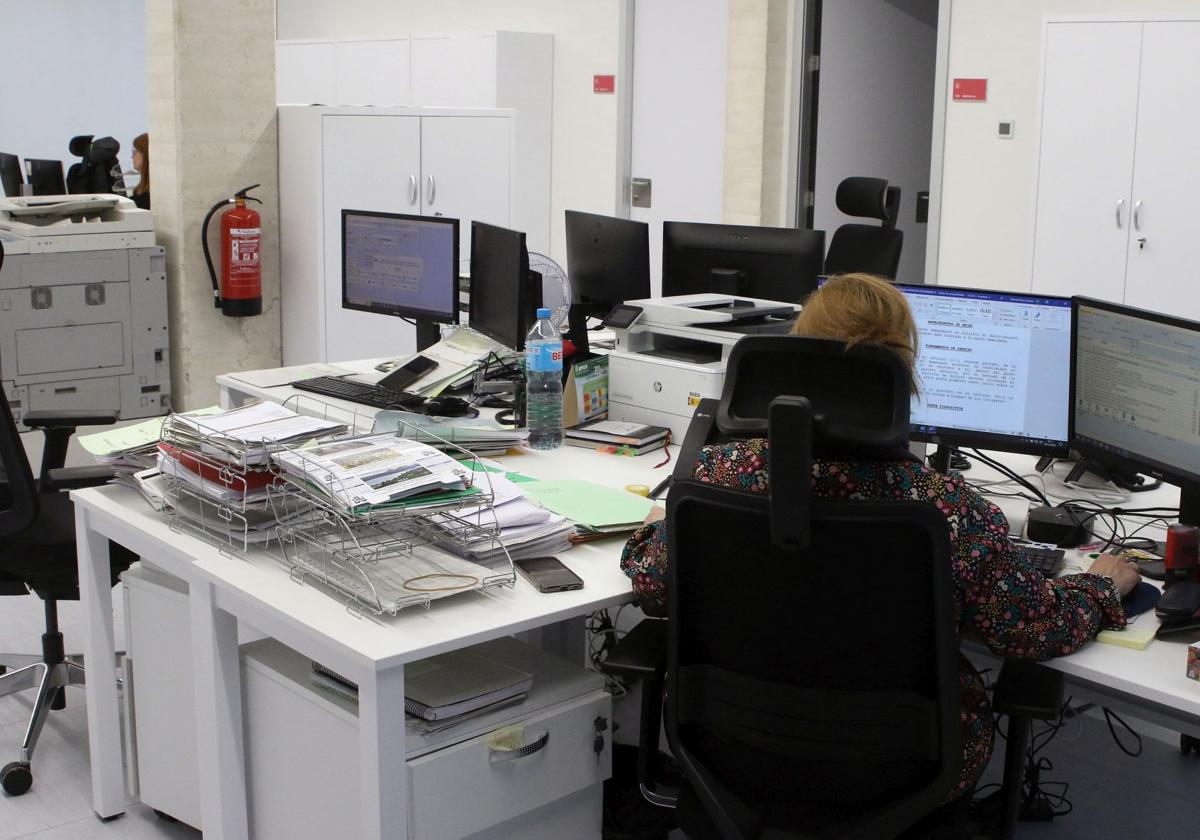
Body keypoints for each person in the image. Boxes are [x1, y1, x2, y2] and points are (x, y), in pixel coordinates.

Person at [619, 272, 1139, 802]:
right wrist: (1099, 586)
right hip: (907, 770)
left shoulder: (718, 478)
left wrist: (655, 528)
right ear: (898, 376)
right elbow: (1028, 631)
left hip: (728, 748)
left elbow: (652, 584)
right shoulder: (949, 510)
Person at [130, 133, 150, 210]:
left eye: (135, 151)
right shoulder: (138, 192)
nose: (132, 156)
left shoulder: (151, 197)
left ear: (146, 154)